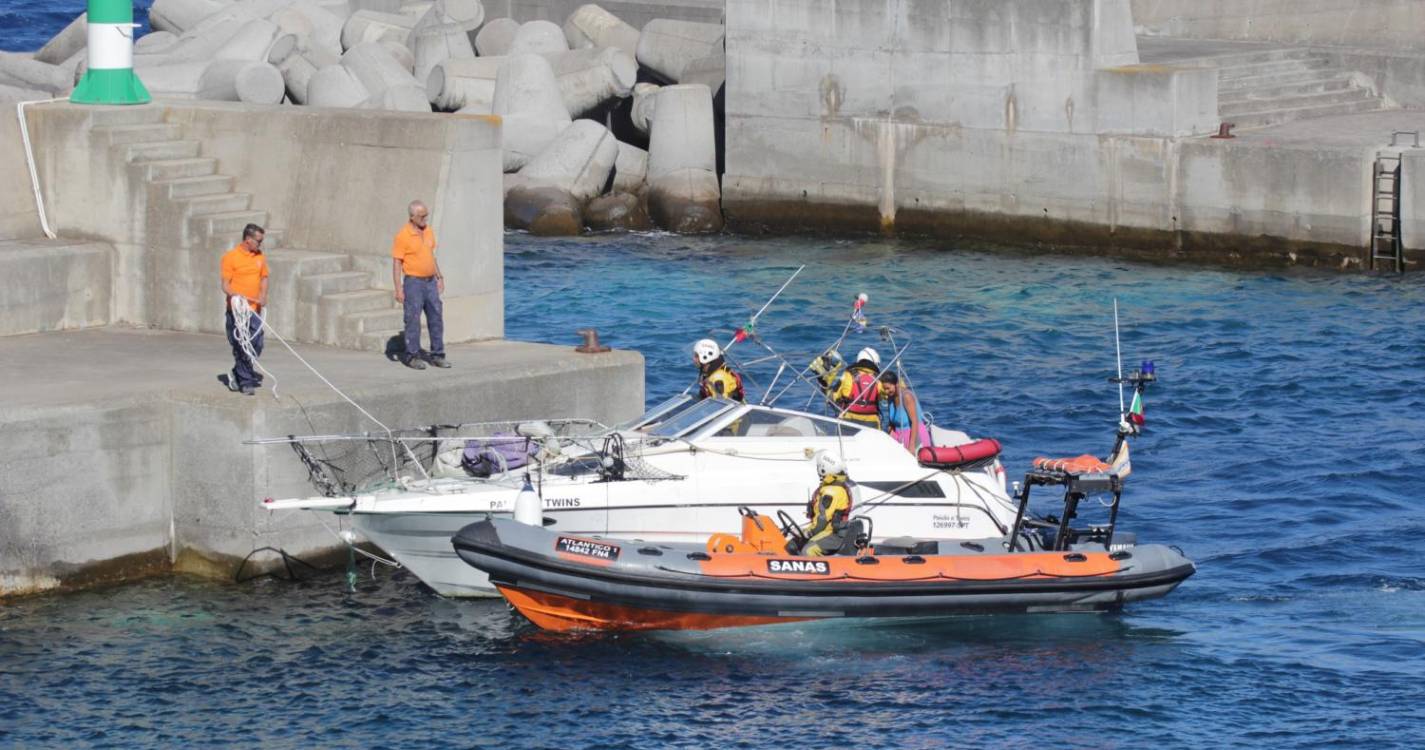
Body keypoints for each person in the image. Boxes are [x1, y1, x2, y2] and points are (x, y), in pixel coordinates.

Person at [392, 199, 449, 370]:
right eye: (422, 216)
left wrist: (440, 277)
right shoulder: (403, 236)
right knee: (413, 319)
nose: (425, 219)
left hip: (431, 281)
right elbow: (396, 264)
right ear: (412, 217)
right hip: (413, 283)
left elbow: (431, 256)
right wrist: (398, 288)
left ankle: (438, 354)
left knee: (436, 317)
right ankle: (412, 356)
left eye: (426, 215)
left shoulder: (429, 231)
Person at [220, 223, 269, 396]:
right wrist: (238, 297)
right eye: (258, 241)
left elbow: (264, 278)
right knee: (241, 345)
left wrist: (263, 296)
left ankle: (236, 373)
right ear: (248, 240)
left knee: (257, 343)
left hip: (254, 311)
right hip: (237, 311)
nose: (260, 244)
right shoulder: (230, 257)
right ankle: (246, 381)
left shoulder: (260, 257)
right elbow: (225, 285)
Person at [791, 451, 854, 557]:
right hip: (828, 531)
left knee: (808, 551)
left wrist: (807, 533)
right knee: (793, 544)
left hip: (833, 534)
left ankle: (811, 572)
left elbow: (822, 521)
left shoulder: (831, 492)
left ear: (824, 468)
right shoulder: (832, 487)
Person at [816, 347, 883, 428]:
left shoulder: (848, 375)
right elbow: (885, 396)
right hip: (872, 424)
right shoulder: (879, 380)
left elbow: (833, 397)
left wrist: (824, 385)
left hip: (848, 422)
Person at [880, 371, 933, 454]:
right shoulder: (890, 397)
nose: (886, 392)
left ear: (896, 384)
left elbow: (914, 422)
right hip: (898, 437)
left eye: (888, 388)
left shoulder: (906, 397)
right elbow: (891, 422)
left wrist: (911, 445)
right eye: (884, 389)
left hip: (915, 438)